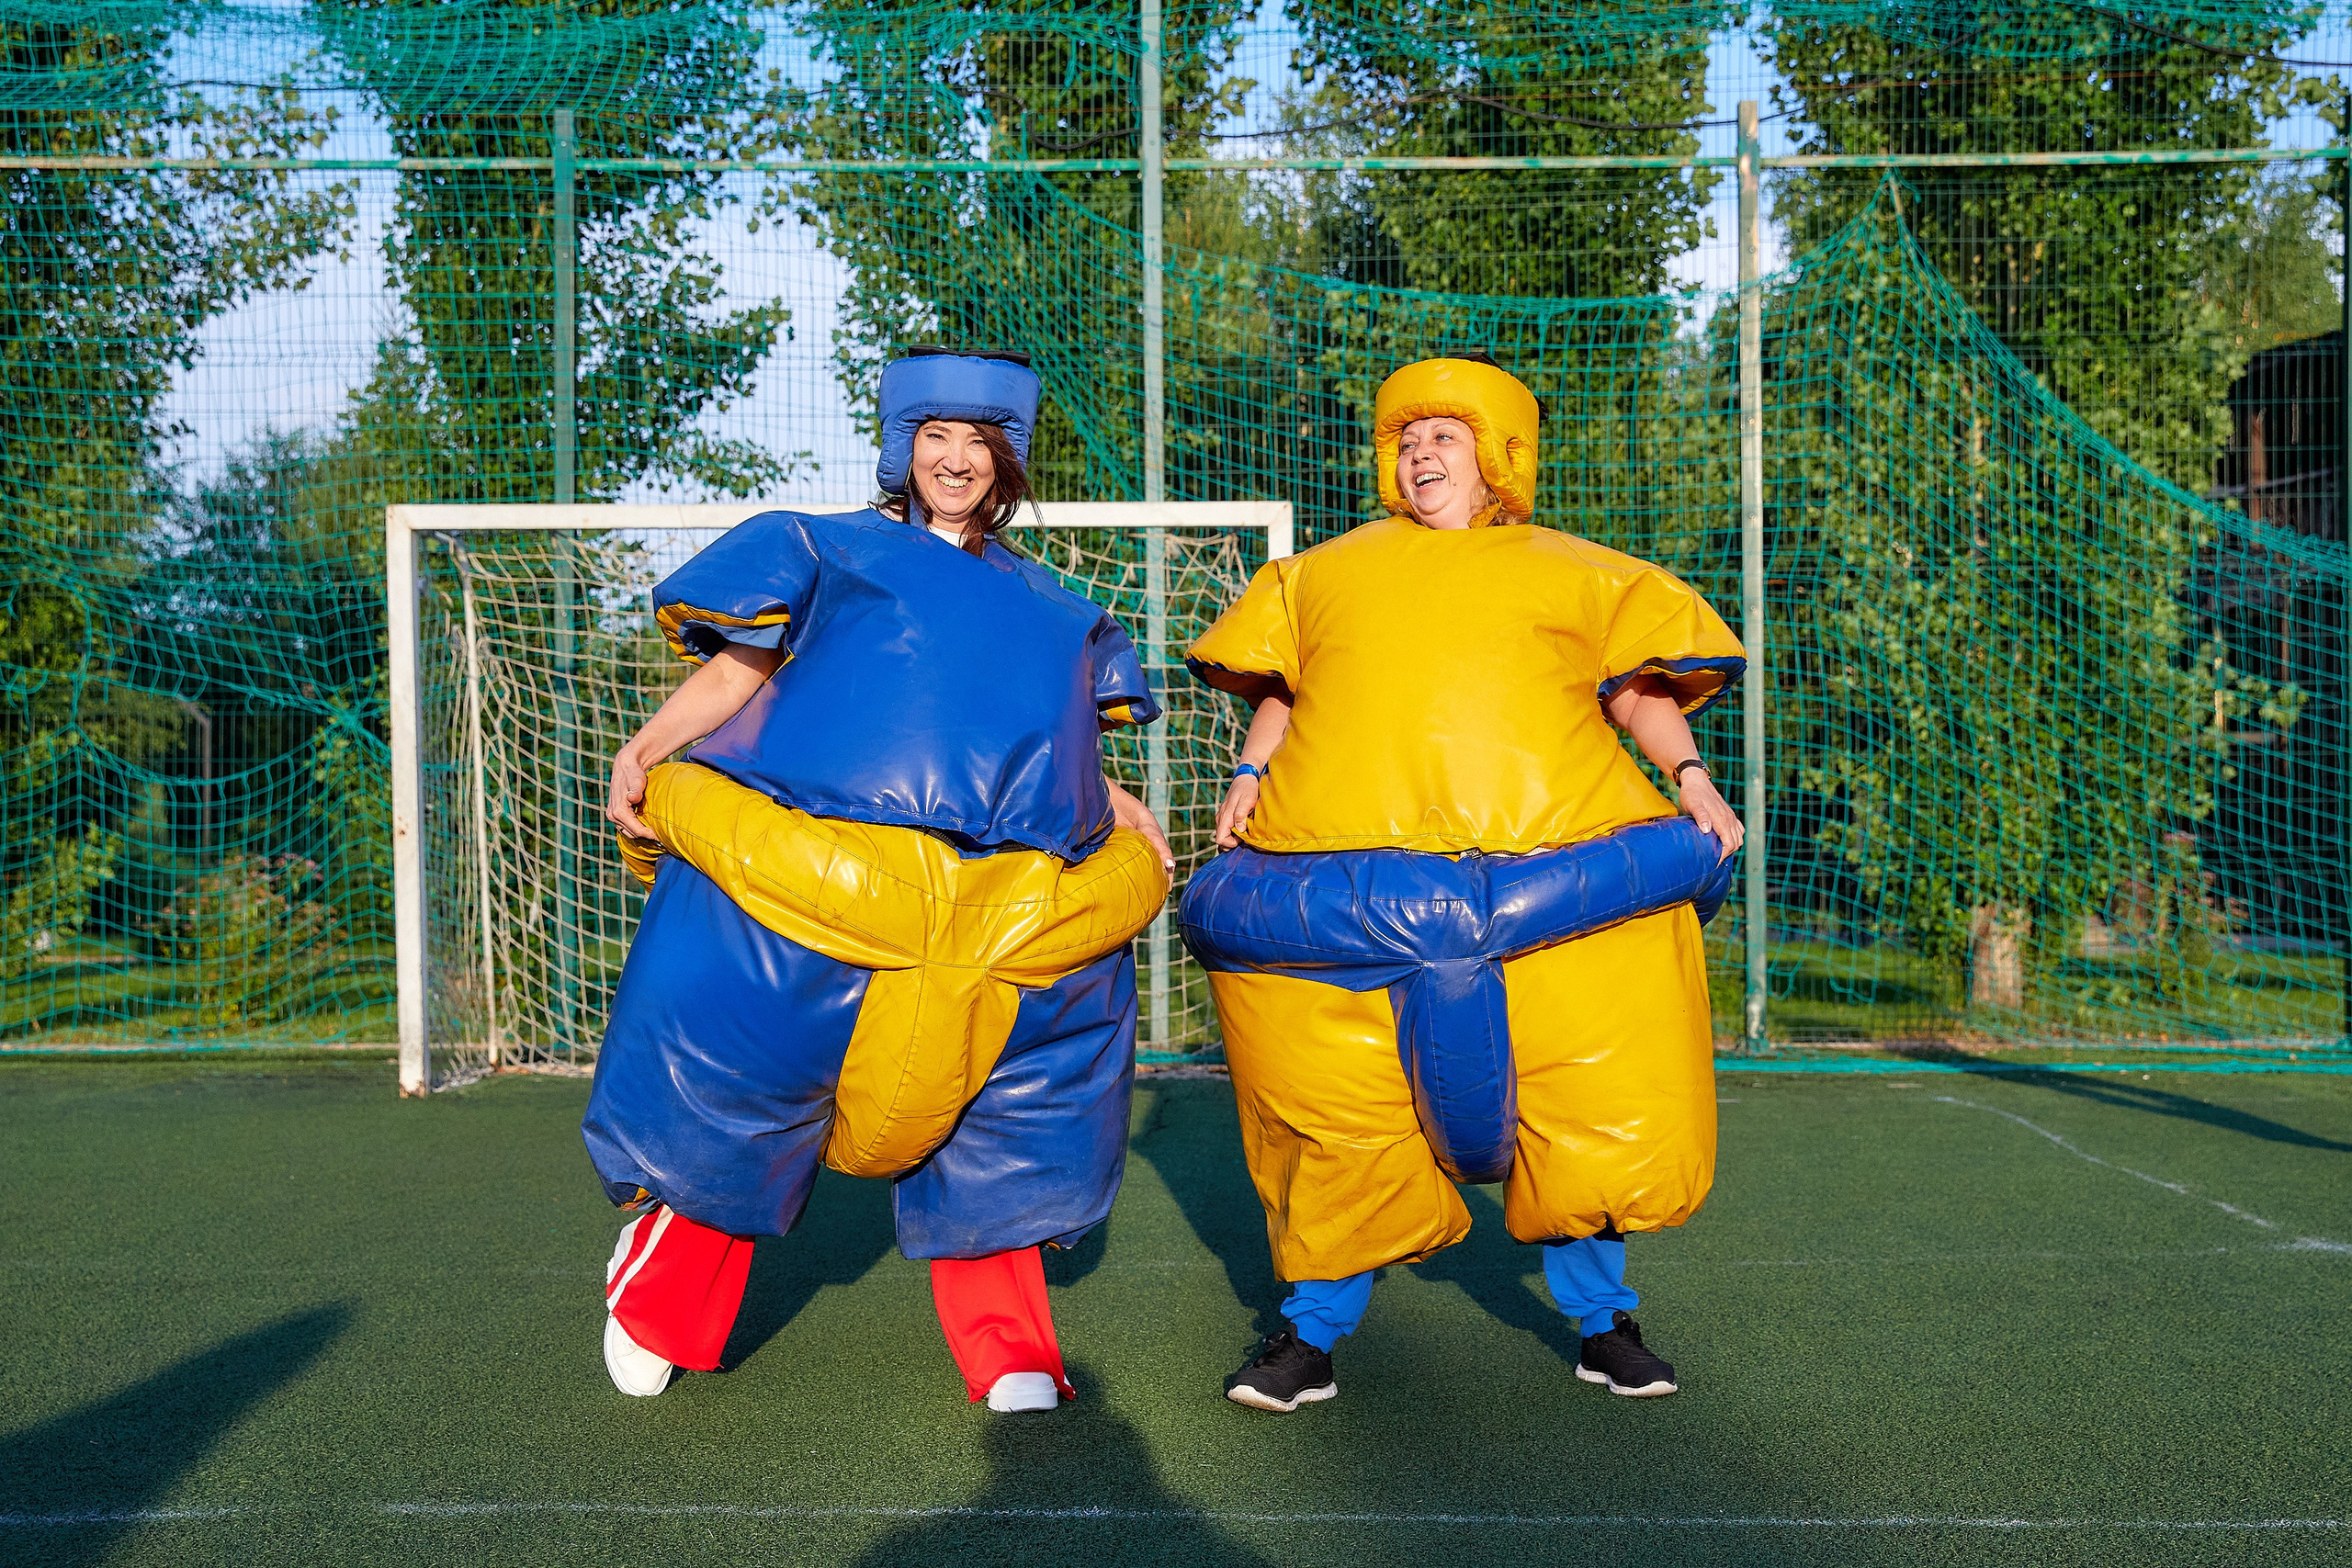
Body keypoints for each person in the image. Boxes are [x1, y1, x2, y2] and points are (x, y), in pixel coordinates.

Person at [581, 345, 1173, 1414]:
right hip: (820, 892)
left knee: (1009, 1134)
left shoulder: (1049, 604)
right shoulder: (828, 551)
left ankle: (1013, 1351)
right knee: (739, 1098)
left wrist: (1120, 807)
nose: (956, 459)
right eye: (936, 436)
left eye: (978, 441)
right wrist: (649, 744)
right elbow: (737, 666)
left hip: (994, 916)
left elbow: (1066, 740)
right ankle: (659, 1304)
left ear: (1008, 458)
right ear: (906, 448)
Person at [1180, 352, 1746, 1411]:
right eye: (1407, 437)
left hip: (1548, 888)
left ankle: (1601, 1323)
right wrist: (1249, 776)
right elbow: (1291, 695)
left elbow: (1636, 695)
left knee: (1585, 1109)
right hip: (1349, 889)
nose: (1422, 450)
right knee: (1340, 1124)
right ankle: (1309, 1338)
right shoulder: (1327, 573)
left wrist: (1694, 781)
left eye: (1446, 435)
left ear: (1496, 459)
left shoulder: (1575, 572)